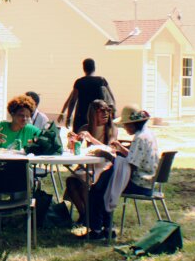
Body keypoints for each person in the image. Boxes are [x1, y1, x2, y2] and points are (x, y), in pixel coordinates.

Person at [85, 106, 159, 240]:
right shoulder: (147, 134)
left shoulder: (140, 138)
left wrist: (108, 155)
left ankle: (97, 229)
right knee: (104, 181)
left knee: (99, 188)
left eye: (125, 125)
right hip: (147, 179)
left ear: (132, 124)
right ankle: (106, 228)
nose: (124, 127)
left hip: (140, 182)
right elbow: (134, 156)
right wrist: (120, 148)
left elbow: (131, 163)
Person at [63, 99, 117, 223]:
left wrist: (91, 139)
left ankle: (91, 217)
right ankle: (85, 215)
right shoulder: (86, 127)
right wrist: (72, 140)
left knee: (83, 182)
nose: (106, 113)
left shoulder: (111, 129)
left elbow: (110, 149)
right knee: (71, 181)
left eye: (108, 110)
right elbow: (74, 149)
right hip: (88, 165)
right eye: (102, 110)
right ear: (93, 113)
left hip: (104, 166)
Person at [59, 58, 115, 133]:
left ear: (84, 69)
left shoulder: (79, 82)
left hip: (81, 117)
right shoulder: (101, 81)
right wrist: (112, 114)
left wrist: (68, 117)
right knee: (96, 140)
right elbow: (111, 98)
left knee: (78, 140)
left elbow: (72, 101)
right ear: (94, 68)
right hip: (97, 117)